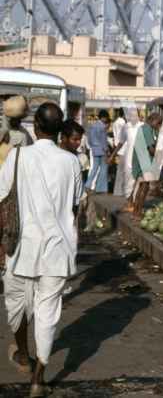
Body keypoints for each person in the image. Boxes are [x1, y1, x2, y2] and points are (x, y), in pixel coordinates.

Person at [0, 103, 85, 397]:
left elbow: (2, 203)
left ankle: (23, 356)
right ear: (60, 129)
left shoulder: (17, 156)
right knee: (48, 313)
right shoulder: (71, 161)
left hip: (21, 247)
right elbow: (76, 205)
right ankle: (37, 377)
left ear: (35, 125)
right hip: (58, 249)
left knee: (16, 307)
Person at [108, 108, 143, 213]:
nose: (133, 118)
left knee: (138, 184)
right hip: (128, 158)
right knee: (127, 183)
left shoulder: (143, 127)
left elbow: (151, 142)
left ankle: (137, 205)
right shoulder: (125, 127)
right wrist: (112, 155)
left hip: (140, 159)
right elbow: (121, 142)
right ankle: (129, 204)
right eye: (131, 116)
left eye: (135, 115)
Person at [130, 112, 162, 221]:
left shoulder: (142, 128)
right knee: (144, 187)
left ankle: (135, 211)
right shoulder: (148, 130)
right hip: (145, 162)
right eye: (158, 123)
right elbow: (151, 149)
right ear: (151, 120)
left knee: (141, 187)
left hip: (139, 162)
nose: (159, 125)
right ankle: (138, 212)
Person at [85, 110, 111, 194]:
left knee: (94, 168)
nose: (106, 120)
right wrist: (107, 155)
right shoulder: (103, 127)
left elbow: (89, 140)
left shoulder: (92, 126)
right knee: (103, 169)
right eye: (106, 118)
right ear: (103, 117)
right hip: (102, 150)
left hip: (95, 149)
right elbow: (104, 141)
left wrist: (94, 146)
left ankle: (87, 185)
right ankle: (101, 189)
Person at [112, 108, 127, 197]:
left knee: (121, 171)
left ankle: (119, 191)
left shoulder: (116, 122)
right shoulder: (123, 124)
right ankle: (119, 191)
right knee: (122, 171)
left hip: (120, 149)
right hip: (123, 148)